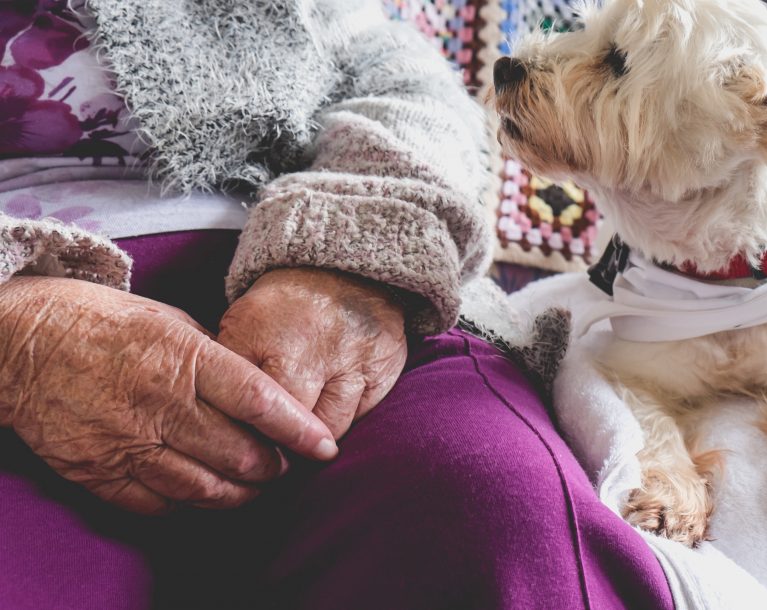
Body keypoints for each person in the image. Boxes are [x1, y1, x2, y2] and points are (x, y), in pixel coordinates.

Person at [0, 1, 673, 608]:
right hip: (24, 297)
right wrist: (19, 341)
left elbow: (416, 96)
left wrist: (348, 257)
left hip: (327, 264)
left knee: (502, 515)